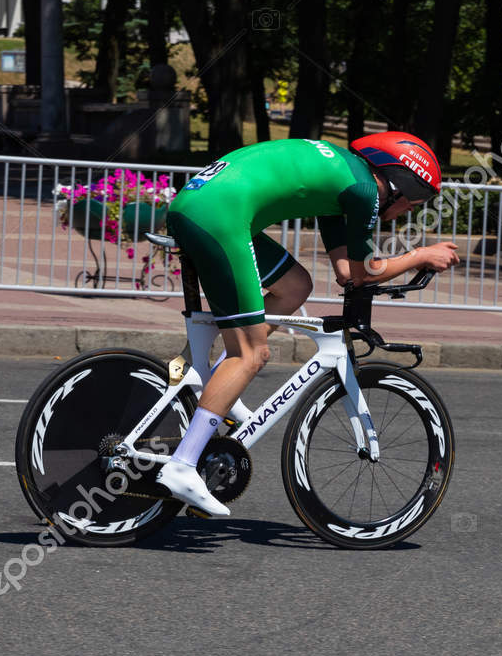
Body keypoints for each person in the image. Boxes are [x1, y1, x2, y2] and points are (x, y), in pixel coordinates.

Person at [154, 131, 461, 517]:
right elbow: (367, 271)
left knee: (295, 285)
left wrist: (376, 270)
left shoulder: (343, 182)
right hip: (218, 213)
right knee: (251, 354)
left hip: (202, 204)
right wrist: (420, 255)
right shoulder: (365, 190)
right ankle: (182, 465)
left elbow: (348, 271)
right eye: (414, 203)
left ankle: (222, 381)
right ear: (399, 184)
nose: (409, 213)